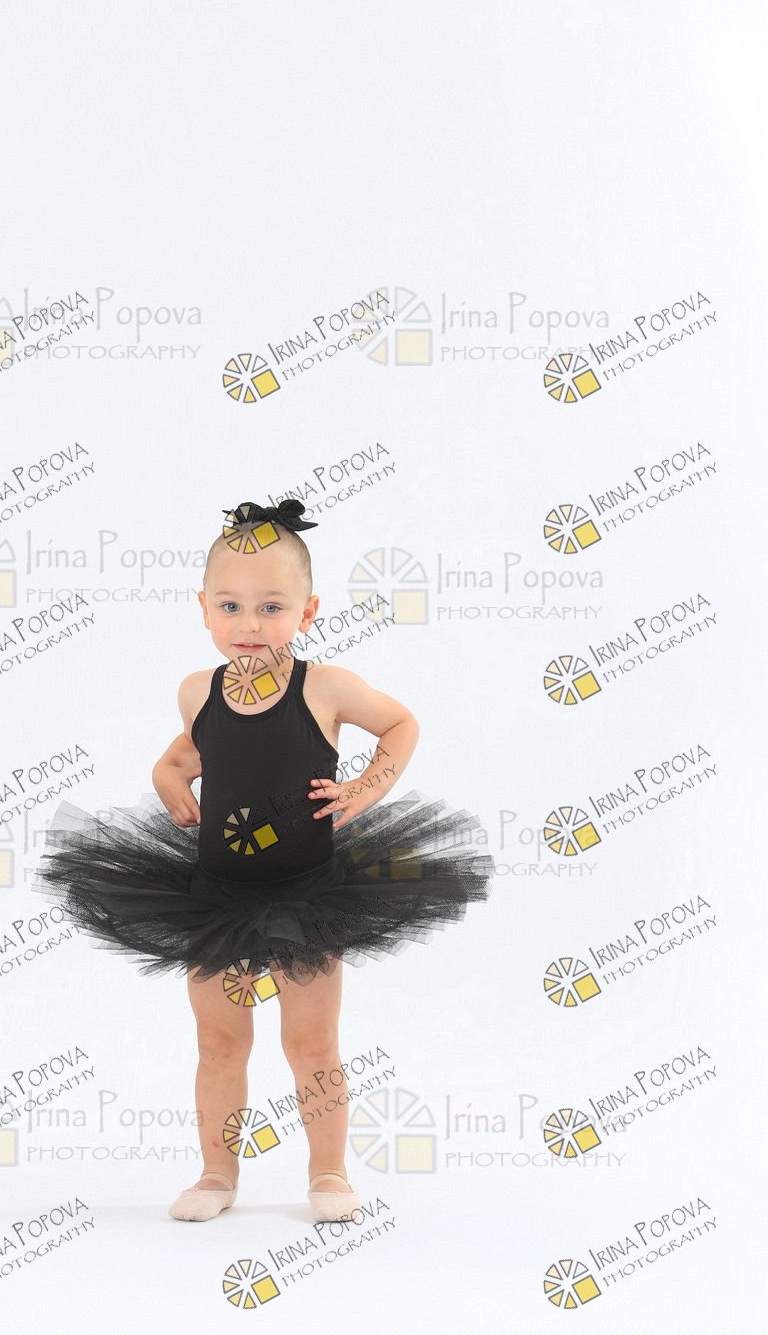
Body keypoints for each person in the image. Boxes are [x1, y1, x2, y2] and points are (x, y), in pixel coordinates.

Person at [32, 500, 493, 1224]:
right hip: (215, 898)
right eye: (231, 605)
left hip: (307, 896)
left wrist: (364, 788)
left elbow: (400, 724)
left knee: (311, 1042)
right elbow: (189, 752)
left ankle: (330, 1172)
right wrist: (166, 775)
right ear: (204, 609)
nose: (249, 623)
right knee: (219, 1043)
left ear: (308, 610)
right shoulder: (198, 691)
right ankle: (216, 1174)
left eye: (271, 607)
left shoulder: (325, 687)